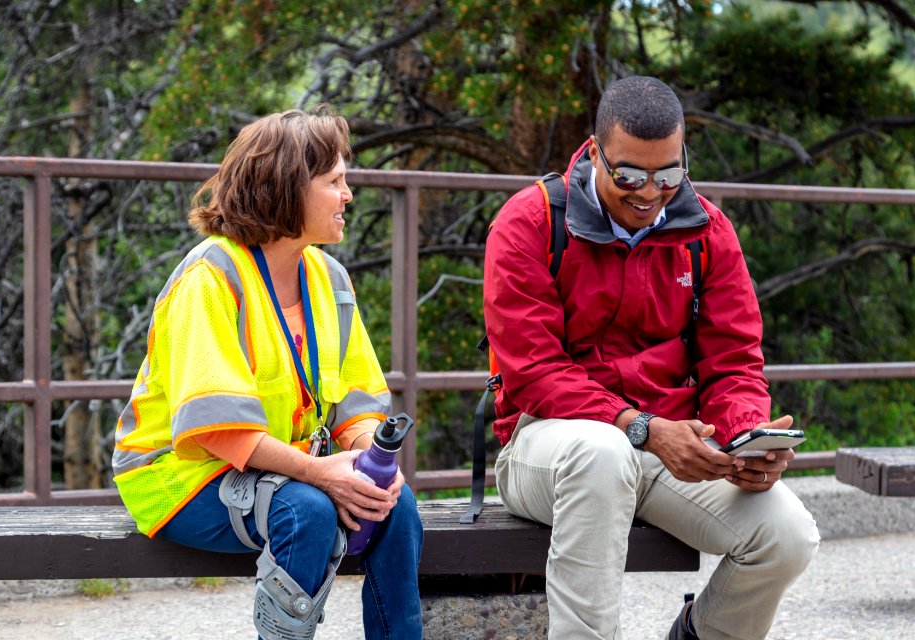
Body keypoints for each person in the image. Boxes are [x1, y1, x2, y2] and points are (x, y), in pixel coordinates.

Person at [483, 76, 820, 640]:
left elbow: (734, 361)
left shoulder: (708, 232)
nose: (649, 191)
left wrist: (746, 439)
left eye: (668, 174)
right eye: (629, 175)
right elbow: (535, 371)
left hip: (666, 448)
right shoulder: (530, 222)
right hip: (548, 443)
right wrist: (641, 427)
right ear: (594, 153)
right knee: (602, 451)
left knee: (788, 537)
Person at [111, 109, 423, 639]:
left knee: (398, 504)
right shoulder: (209, 277)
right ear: (287, 188)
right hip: (179, 475)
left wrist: (368, 462)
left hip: (278, 468)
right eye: (334, 182)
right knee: (307, 511)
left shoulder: (330, 277)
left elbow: (359, 404)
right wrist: (324, 473)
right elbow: (220, 431)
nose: (348, 195)